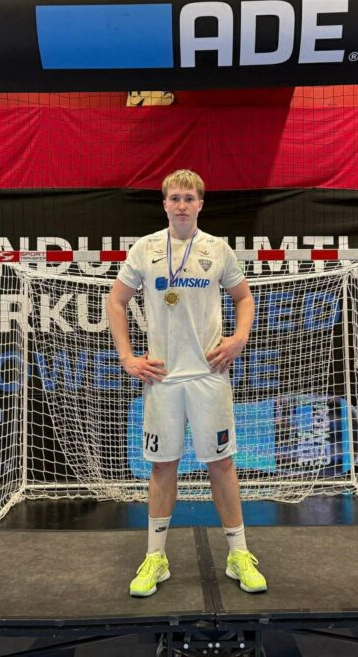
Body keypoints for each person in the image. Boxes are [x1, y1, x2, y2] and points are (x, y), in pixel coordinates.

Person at [107, 169, 267, 597]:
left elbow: (244, 298)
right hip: (162, 378)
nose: (181, 205)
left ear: (200, 204)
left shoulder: (217, 249)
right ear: (164, 204)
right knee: (162, 466)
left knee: (222, 464)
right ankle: (155, 558)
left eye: (189, 198)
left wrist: (239, 338)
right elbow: (116, 301)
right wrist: (127, 357)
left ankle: (238, 554)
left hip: (208, 376)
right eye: (175, 198)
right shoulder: (145, 249)